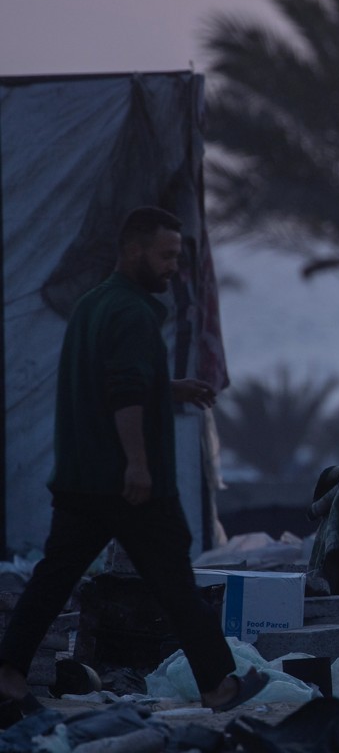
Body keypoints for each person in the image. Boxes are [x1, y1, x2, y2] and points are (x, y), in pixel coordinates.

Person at [0, 207, 266, 719]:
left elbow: (112, 382)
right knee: (176, 582)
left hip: (81, 480)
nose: (173, 267)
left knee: (53, 578)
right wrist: (138, 465)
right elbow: (123, 393)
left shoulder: (92, 306)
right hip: (131, 485)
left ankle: (8, 673)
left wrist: (170, 390)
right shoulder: (134, 314)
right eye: (166, 255)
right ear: (134, 251)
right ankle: (218, 687)